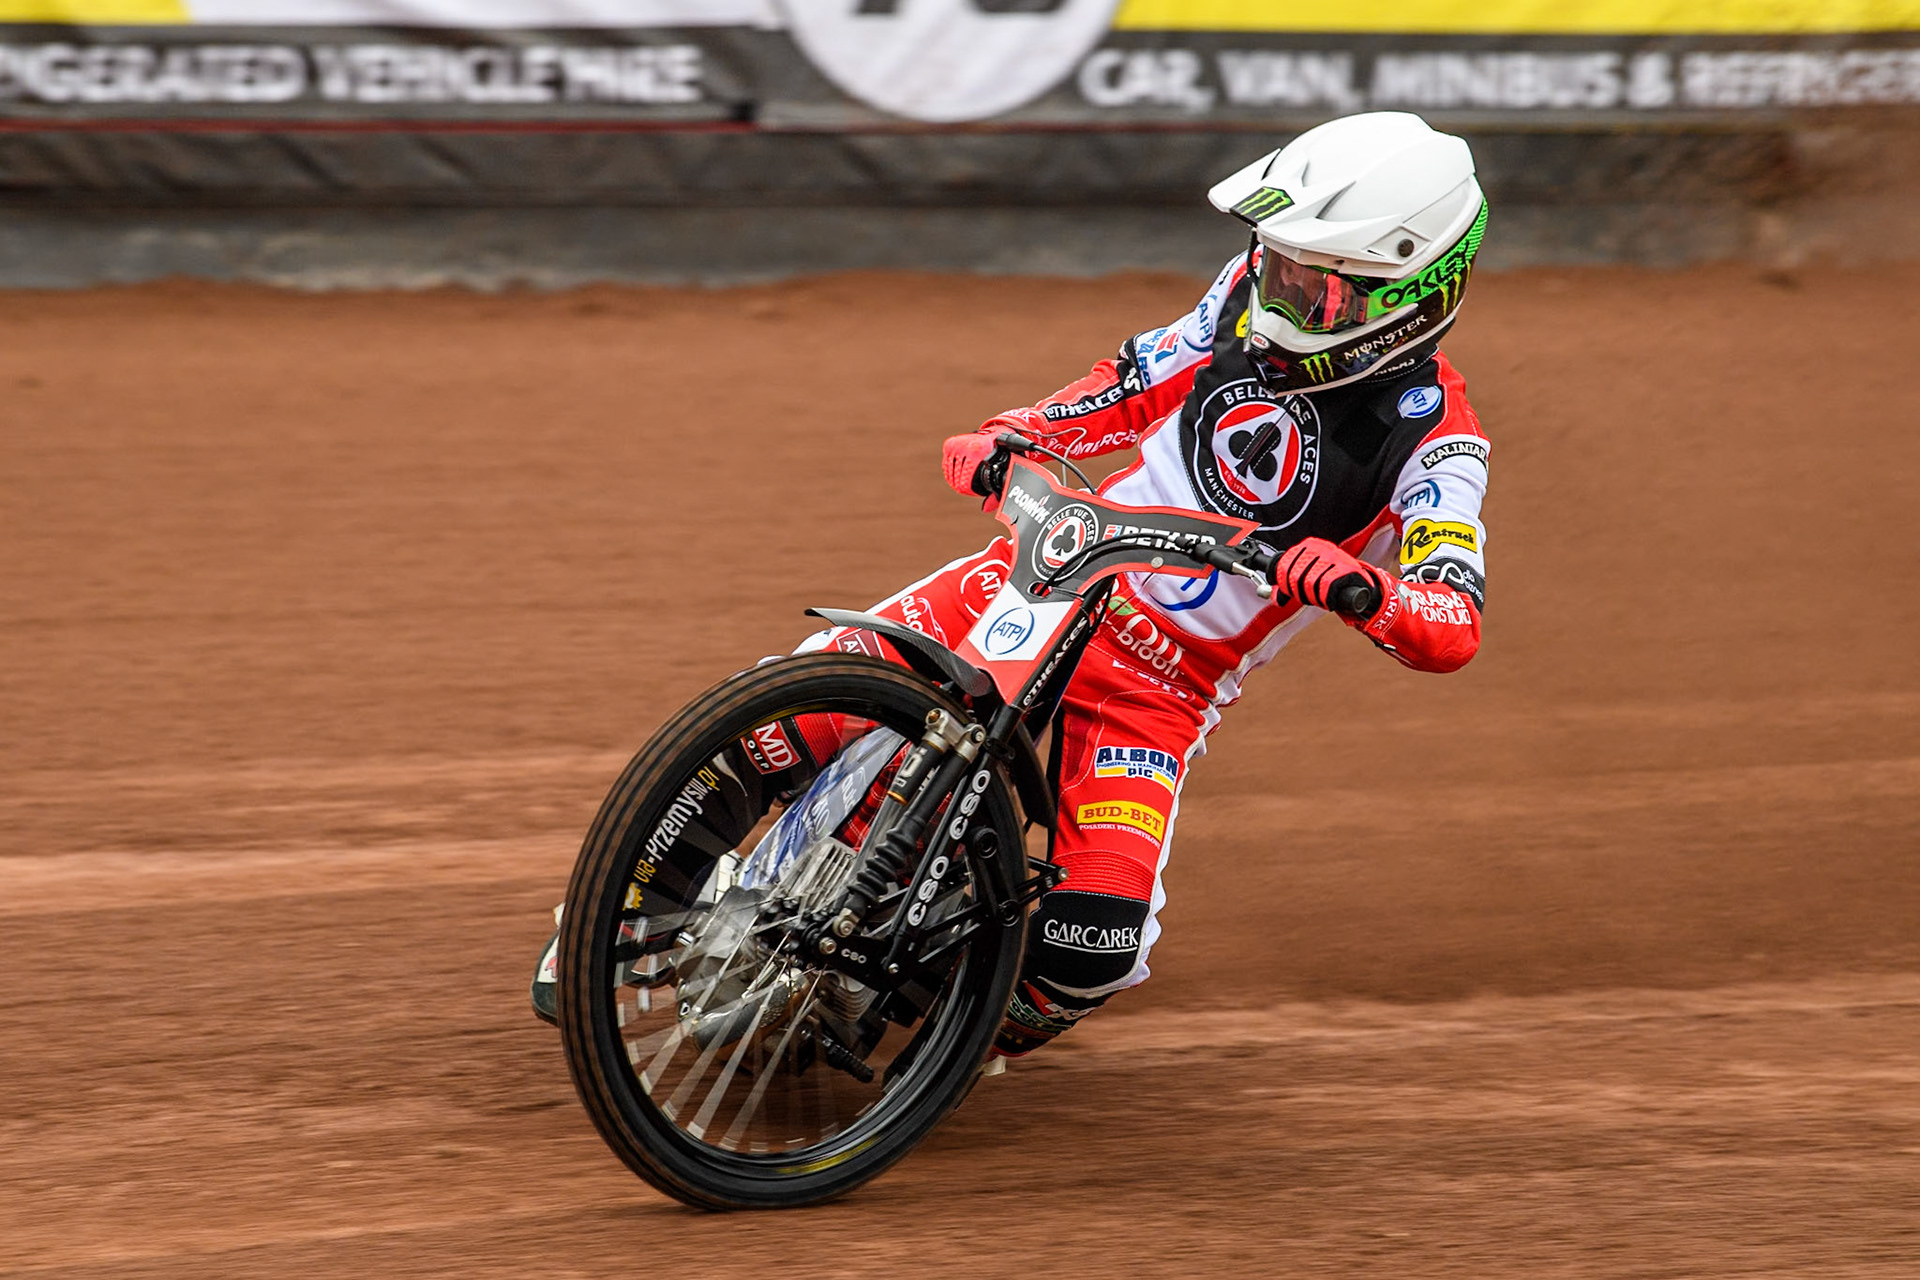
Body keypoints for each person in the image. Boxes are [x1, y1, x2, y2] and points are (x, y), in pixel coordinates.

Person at [534, 111, 1491, 1059]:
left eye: (1317, 285)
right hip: (1052, 570)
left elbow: (1451, 620)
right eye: (1276, 262)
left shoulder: (1440, 442)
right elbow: (1137, 380)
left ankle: (948, 1043)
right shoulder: (1247, 292)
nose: (1281, 295)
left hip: (1158, 691)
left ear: (1410, 292)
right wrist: (1019, 433)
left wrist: (1363, 589)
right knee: (792, 708)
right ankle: (623, 916)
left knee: (1096, 946)